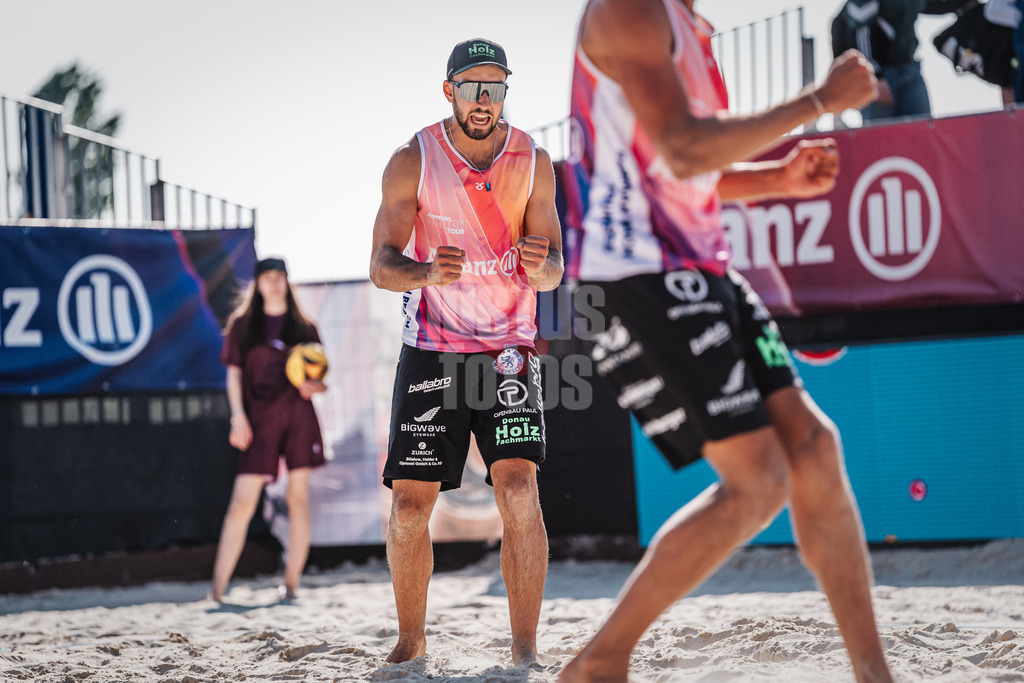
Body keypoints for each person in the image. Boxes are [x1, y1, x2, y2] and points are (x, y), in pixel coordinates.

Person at [558, 1, 893, 682]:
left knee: (813, 447)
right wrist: (819, 100)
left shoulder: (687, 22)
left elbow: (680, 166)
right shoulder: (631, 8)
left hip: (701, 265)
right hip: (634, 273)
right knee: (760, 479)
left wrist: (777, 179)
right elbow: (682, 145)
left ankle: (875, 675)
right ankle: (602, 658)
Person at [368, 38, 563, 666]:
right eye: (473, 86)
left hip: (508, 347)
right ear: (449, 90)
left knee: (519, 491)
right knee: (407, 504)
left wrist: (544, 265)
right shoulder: (412, 158)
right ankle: (411, 641)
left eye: (495, 87)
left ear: (506, 91)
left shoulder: (534, 159)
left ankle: (526, 650)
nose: (485, 99)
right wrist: (424, 273)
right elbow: (379, 266)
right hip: (432, 346)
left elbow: (556, 266)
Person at [210, 256, 327, 602]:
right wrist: (238, 416)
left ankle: (290, 585)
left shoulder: (304, 327)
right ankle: (216, 591)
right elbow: (232, 373)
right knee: (241, 504)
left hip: (298, 417)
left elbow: (318, 379)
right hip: (258, 421)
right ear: (257, 284)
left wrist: (314, 387)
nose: (275, 283)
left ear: (287, 282)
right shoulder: (243, 325)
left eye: (280, 277)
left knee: (298, 500)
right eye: (268, 277)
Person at [832, 0, 968, 122]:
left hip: (909, 69)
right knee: (880, 139)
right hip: (880, 77)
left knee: (924, 132)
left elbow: (933, 5)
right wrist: (875, 76)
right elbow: (861, 33)